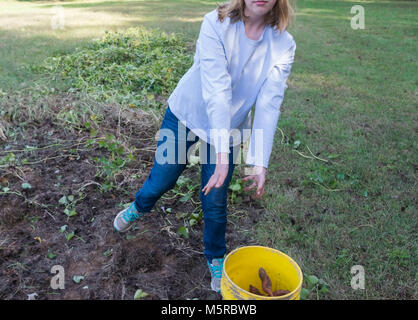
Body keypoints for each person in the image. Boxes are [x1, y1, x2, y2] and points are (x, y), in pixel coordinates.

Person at [113, 0, 296, 293]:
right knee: (162, 179)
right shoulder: (216, 23)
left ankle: (215, 256)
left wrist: (259, 162)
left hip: (229, 126)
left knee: (215, 199)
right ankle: (139, 206)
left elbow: (269, 104)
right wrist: (224, 156)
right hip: (187, 115)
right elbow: (216, 90)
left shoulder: (284, 44)